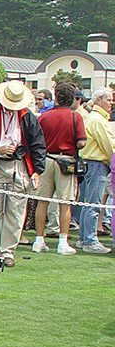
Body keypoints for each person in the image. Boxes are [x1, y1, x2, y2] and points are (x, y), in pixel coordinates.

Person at [0, 80, 47, 267]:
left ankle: (8, 251)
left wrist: (37, 170)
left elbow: (38, 144)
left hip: (19, 165)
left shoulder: (27, 116)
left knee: (16, 210)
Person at [31, 82, 85, 255]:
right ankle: (63, 241)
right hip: (66, 161)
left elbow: (36, 139)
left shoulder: (44, 117)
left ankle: (39, 240)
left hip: (46, 159)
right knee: (65, 202)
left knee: (42, 201)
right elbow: (81, 142)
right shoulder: (75, 117)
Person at [76, 86, 114, 254]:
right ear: (99, 100)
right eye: (109, 99)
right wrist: (112, 162)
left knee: (87, 203)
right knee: (93, 204)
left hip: (89, 163)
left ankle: (84, 238)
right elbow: (108, 146)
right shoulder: (98, 120)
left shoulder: (93, 117)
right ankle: (89, 240)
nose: (111, 103)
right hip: (96, 164)